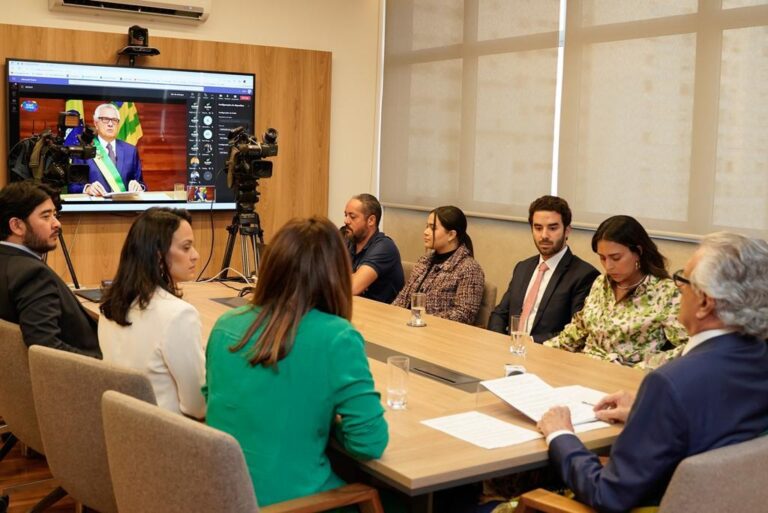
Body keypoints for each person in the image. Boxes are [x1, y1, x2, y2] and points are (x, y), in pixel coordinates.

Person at [538, 232, 768, 512]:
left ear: (706, 303)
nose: (678, 288)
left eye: (684, 280)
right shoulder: (758, 358)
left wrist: (561, 435)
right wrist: (647, 410)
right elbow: (721, 421)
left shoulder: (670, 382)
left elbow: (608, 494)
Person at [204, 216, 388, 507]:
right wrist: (325, 421)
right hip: (294, 503)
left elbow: (212, 400)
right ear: (336, 274)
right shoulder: (337, 338)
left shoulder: (225, 325)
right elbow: (369, 443)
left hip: (223, 495)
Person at [98, 208, 205, 419]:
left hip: (121, 428)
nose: (195, 255)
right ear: (158, 256)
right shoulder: (180, 315)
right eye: (186, 247)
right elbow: (198, 406)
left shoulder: (109, 305)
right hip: (170, 435)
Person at [544, 215, 688, 367]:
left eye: (616, 258)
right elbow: (578, 330)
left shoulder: (666, 292)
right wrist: (542, 351)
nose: (608, 266)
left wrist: (645, 367)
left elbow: (690, 348)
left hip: (625, 377)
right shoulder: (601, 283)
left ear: (638, 252)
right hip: (586, 367)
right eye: (602, 258)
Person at [0, 181, 99, 356]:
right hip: (88, 376)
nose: (57, 224)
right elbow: (46, 349)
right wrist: (104, 368)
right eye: (46, 216)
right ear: (16, 225)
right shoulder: (32, 274)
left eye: (55, 215)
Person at [488, 196, 599, 342]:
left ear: (567, 230)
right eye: (538, 228)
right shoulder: (523, 267)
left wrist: (530, 342)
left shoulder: (584, 275)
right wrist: (501, 342)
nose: (544, 235)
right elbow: (500, 314)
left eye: (553, 228)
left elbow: (578, 331)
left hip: (548, 355)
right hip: (510, 351)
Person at [392, 206, 484, 324]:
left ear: (451, 235)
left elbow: (464, 315)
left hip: (437, 334)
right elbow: (403, 297)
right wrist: (392, 315)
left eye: (433, 228)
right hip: (408, 325)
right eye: (427, 226)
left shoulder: (469, 269)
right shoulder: (424, 261)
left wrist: (423, 320)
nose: (425, 232)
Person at [69, 103, 145, 195]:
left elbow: (141, 183)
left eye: (114, 120)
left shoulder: (130, 151)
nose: (110, 124)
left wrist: (139, 187)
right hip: (95, 207)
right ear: (96, 124)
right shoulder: (83, 150)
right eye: (105, 119)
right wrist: (87, 188)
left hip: (124, 207)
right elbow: (72, 186)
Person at [342, 193, 404, 303]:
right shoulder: (348, 242)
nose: (346, 221)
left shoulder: (385, 247)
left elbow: (352, 288)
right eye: (345, 215)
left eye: (352, 217)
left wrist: (351, 280)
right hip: (356, 309)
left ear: (371, 220)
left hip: (381, 316)